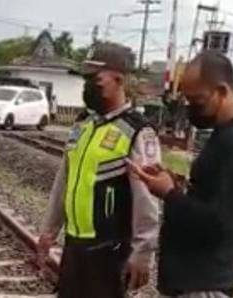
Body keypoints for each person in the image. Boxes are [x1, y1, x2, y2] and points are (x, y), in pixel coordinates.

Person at [130, 51, 233, 298]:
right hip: (194, 280)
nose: (191, 108)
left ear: (222, 91)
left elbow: (221, 222)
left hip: (204, 283)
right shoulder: (227, 133)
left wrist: (169, 193)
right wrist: (172, 182)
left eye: (197, 100)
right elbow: (211, 198)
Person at [37, 43, 161, 298]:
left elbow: (147, 201)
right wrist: (49, 231)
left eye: (95, 79)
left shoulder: (137, 132)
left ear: (118, 79)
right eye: (86, 79)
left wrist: (142, 253)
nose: (88, 85)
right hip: (74, 247)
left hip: (110, 253)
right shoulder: (82, 125)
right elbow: (63, 182)